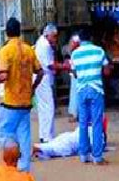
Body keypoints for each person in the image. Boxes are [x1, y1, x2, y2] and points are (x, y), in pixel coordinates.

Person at [0, 17, 43, 172]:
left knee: (4, 133)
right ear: (19, 31)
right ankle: (24, 169)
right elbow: (40, 72)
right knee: (24, 135)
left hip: (10, 101)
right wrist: (33, 88)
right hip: (26, 101)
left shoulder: (5, 51)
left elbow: (4, 76)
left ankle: (11, 163)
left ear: (6, 32)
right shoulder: (29, 49)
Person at [70, 29, 111, 165]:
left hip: (81, 89)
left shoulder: (75, 54)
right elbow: (106, 71)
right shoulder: (99, 51)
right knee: (97, 122)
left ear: (79, 40)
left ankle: (83, 154)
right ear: (91, 37)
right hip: (96, 89)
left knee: (82, 122)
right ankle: (97, 156)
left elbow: (75, 73)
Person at [32, 116, 109, 161]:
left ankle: (28, 152)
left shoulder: (84, 127)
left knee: (47, 149)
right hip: (68, 144)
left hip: (65, 137)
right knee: (47, 148)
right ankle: (26, 151)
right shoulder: (95, 132)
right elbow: (94, 147)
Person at [34, 24, 58, 143]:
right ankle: (47, 136)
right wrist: (65, 66)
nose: (55, 39)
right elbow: (50, 64)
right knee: (49, 107)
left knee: (44, 107)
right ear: (48, 35)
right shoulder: (44, 45)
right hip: (43, 78)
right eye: (54, 36)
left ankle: (44, 134)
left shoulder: (42, 43)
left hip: (43, 78)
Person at [63, 34, 81, 122]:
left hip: (77, 75)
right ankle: (75, 113)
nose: (70, 44)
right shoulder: (73, 52)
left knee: (76, 94)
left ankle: (76, 114)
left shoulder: (76, 52)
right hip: (75, 75)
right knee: (74, 93)